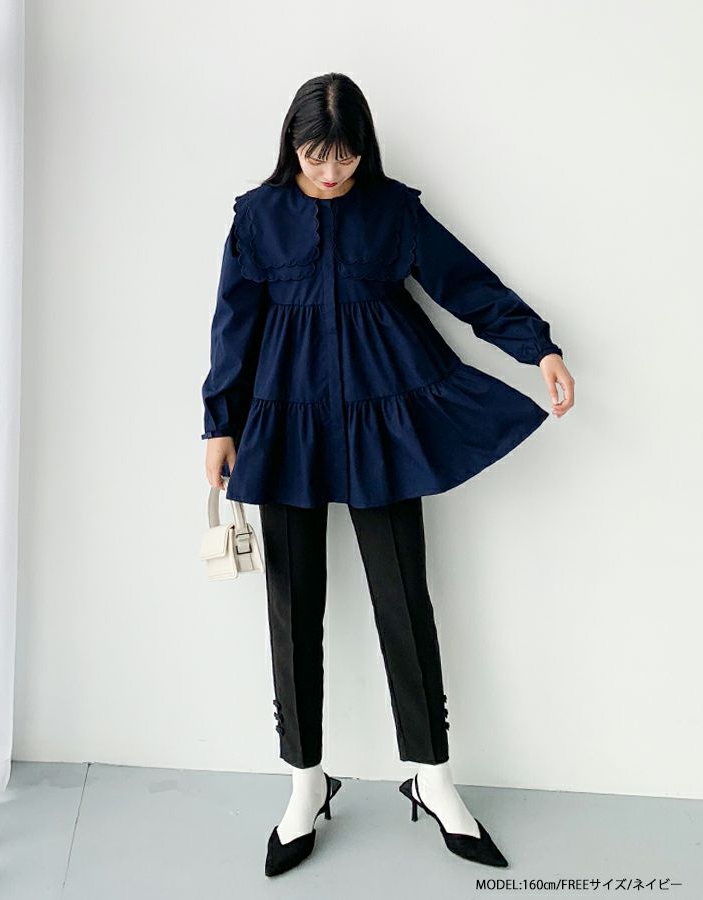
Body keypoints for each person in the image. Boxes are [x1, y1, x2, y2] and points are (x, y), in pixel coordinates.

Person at [201, 72, 575, 877]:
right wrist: (218, 423)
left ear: (363, 149)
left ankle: (432, 776)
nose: (331, 172)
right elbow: (234, 324)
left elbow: (465, 285)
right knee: (292, 611)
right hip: (285, 425)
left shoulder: (394, 211)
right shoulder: (258, 217)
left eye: (344, 156)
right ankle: (306, 782)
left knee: (405, 601)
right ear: (292, 146)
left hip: (384, 424)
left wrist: (536, 346)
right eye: (316, 156)